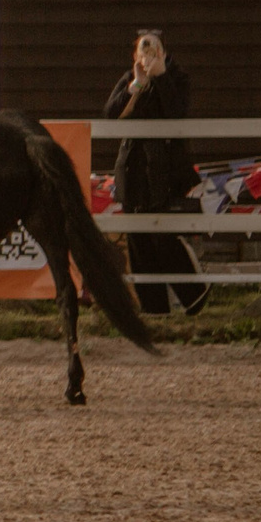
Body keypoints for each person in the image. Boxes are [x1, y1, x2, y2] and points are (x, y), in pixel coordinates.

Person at [105, 30, 206, 316]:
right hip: (133, 169)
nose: (148, 56)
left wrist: (161, 77)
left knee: (164, 237)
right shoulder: (130, 79)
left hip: (166, 171)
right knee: (138, 241)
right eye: (143, 51)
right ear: (135, 56)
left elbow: (176, 113)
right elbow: (111, 115)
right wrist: (137, 85)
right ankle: (154, 308)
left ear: (164, 52)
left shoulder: (178, 78)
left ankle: (194, 297)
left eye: (154, 50)